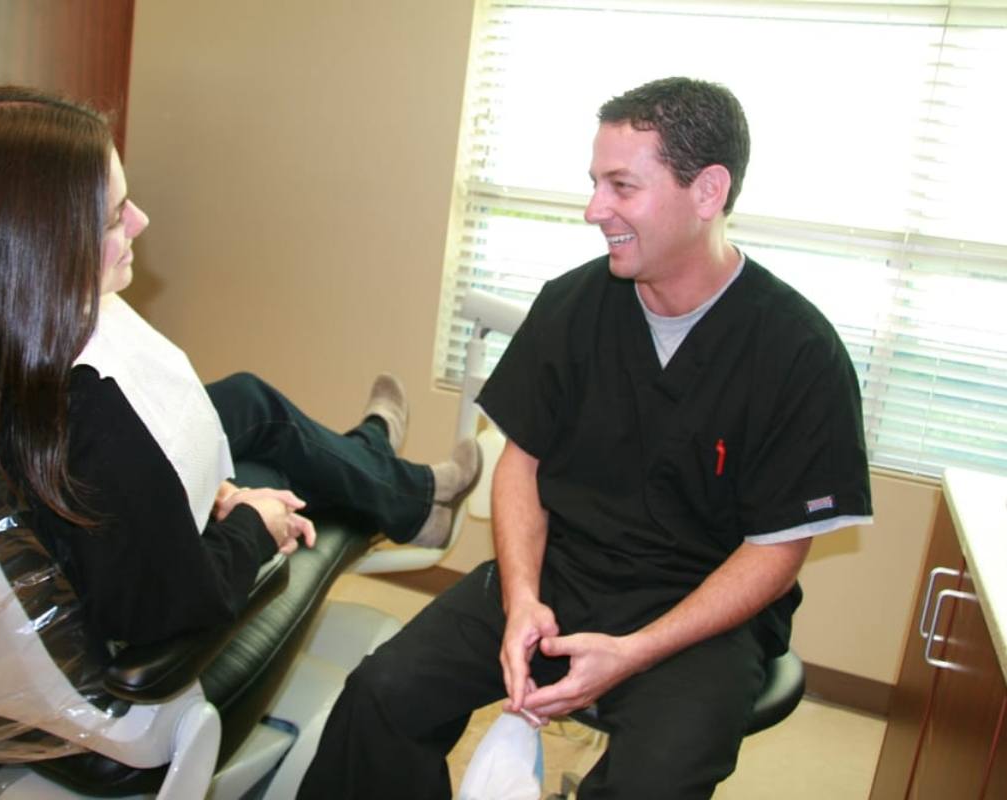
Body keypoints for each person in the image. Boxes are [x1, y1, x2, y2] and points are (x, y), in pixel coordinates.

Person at [297, 76, 873, 799]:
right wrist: (522, 598)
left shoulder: (798, 353)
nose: (593, 209)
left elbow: (779, 548)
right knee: (385, 692)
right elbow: (521, 464)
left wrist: (636, 651)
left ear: (708, 192)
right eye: (594, 182)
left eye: (622, 186)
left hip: (700, 612)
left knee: (653, 781)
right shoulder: (573, 305)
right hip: (566, 571)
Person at [0, 85, 480, 657]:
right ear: (40, 248)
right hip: (155, 660)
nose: (141, 222)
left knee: (249, 400)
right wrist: (253, 521)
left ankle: (381, 459)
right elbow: (170, 604)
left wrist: (218, 487)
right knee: (282, 470)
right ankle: (397, 478)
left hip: (113, 540)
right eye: (114, 217)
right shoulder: (87, 415)